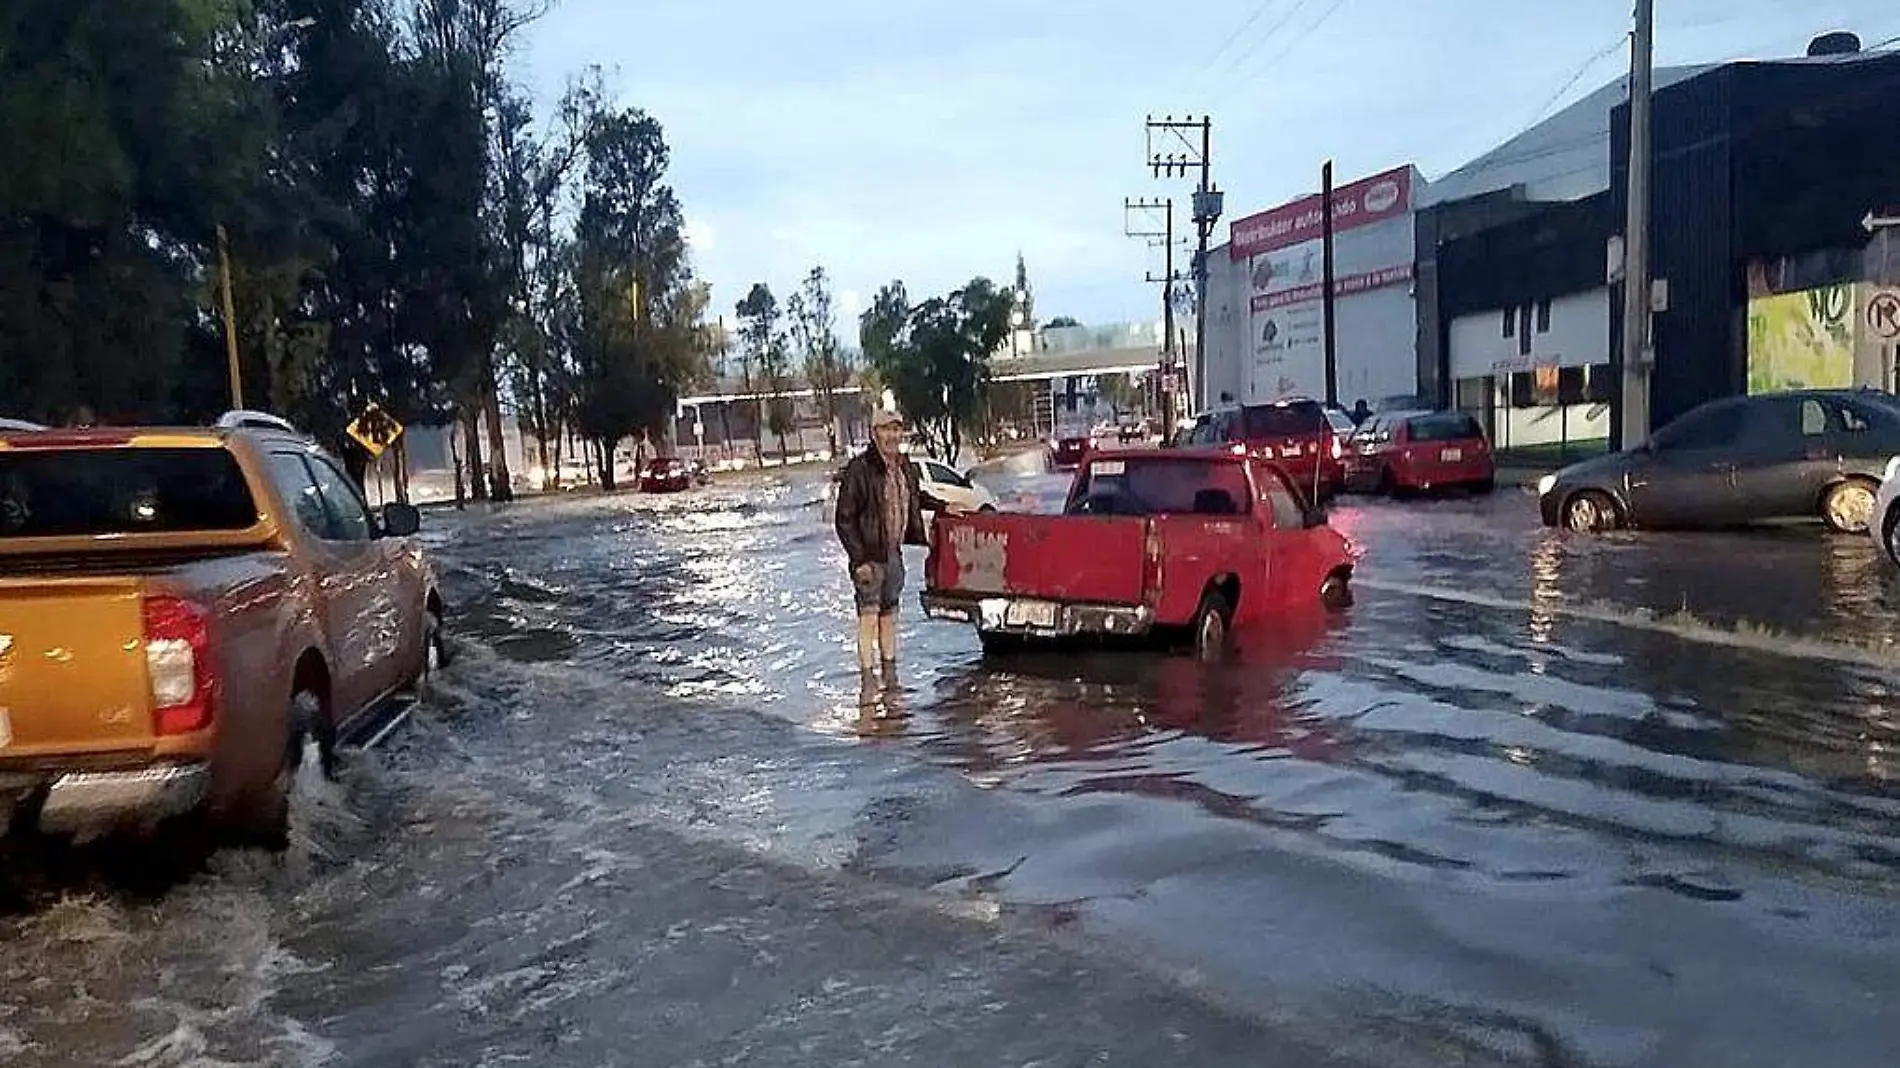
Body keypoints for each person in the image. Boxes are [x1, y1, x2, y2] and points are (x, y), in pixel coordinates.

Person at [834, 408, 927, 676]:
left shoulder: (905, 467)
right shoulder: (860, 469)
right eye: (886, 429)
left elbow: (917, 500)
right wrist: (859, 559)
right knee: (868, 619)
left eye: (897, 429)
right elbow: (844, 519)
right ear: (875, 434)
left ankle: (890, 679)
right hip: (869, 558)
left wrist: (946, 507)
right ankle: (867, 685)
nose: (893, 435)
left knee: (890, 618)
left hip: (894, 555)